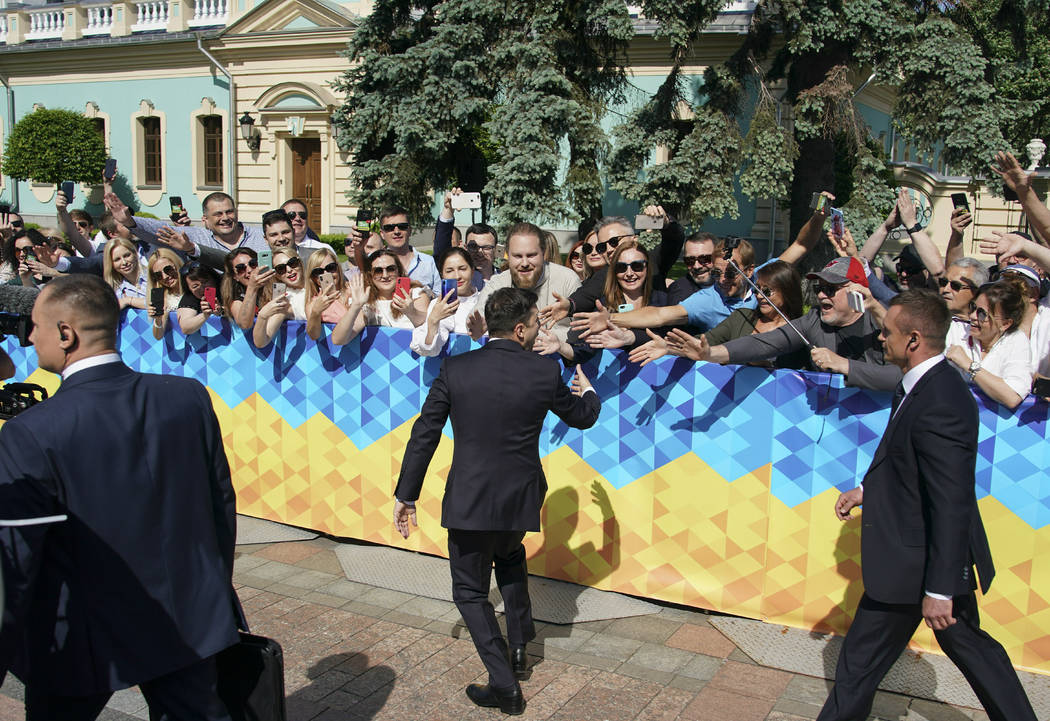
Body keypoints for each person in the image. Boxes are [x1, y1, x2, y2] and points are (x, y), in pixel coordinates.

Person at [0, 274, 239, 720]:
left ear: (66, 333)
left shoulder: (30, 432)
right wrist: (209, 591)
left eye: (34, 325)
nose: (28, 336)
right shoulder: (186, 397)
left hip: (81, 639)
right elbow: (220, 507)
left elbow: (14, 568)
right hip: (187, 617)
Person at [818, 289, 1037, 721]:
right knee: (969, 648)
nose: (881, 339)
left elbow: (951, 500)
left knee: (859, 665)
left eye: (887, 333)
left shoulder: (942, 400)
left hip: (916, 563)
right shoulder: (917, 384)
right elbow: (908, 463)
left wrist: (939, 589)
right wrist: (868, 490)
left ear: (914, 339)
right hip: (918, 557)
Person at [392, 287, 601, 716]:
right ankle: (520, 646)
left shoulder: (456, 368)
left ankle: (504, 684)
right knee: (508, 556)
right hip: (519, 496)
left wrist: (406, 494)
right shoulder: (544, 373)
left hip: (470, 498)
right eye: (537, 326)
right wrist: (590, 391)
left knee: (470, 593)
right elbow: (582, 417)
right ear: (521, 328)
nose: (540, 332)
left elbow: (425, 433)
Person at [665, 256, 900, 391]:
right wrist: (710, 353)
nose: (821, 296)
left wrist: (845, 366)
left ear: (856, 291)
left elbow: (902, 376)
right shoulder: (815, 320)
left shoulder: (881, 322)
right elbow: (764, 343)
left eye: (831, 289)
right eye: (819, 289)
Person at [630, 260, 808, 369]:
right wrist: (668, 347)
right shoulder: (742, 317)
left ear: (787, 292)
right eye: (756, 290)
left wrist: (767, 367)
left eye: (767, 291)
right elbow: (702, 344)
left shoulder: (802, 329)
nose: (759, 296)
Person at [473, 223, 582, 344]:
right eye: (517, 256)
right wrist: (476, 327)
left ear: (543, 253)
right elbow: (476, 320)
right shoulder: (498, 283)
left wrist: (541, 338)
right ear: (508, 255)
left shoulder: (567, 279)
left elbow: (580, 332)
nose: (524, 263)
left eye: (531, 255)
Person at [944, 279, 1032, 409]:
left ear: (1005, 324)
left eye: (982, 314)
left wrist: (969, 365)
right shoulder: (954, 330)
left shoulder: (1016, 340)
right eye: (973, 307)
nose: (973, 316)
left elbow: (1012, 397)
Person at [329, 249, 430, 346]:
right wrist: (356, 306)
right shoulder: (365, 302)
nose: (385, 275)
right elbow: (338, 340)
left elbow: (428, 327)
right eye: (378, 271)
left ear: (398, 271)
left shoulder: (416, 294)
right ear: (370, 275)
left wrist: (411, 311)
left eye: (390, 269)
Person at [348, 206, 441, 295]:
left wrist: (423, 291)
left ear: (410, 230)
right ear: (382, 234)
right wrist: (358, 248)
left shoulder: (428, 262)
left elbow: (438, 296)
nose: (396, 231)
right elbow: (363, 267)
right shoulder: (375, 261)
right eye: (389, 228)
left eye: (402, 226)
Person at [410, 247, 483, 356]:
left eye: (462, 269)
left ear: (472, 271)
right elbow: (428, 350)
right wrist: (434, 319)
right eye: (449, 271)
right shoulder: (438, 304)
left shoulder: (486, 300)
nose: (457, 276)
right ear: (442, 275)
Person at [221, 248, 275, 331]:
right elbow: (244, 324)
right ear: (235, 277)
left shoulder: (276, 280)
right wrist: (252, 288)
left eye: (253, 263)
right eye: (241, 268)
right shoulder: (236, 297)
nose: (249, 270)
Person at [304, 247, 349, 340]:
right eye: (318, 272)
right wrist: (316, 312)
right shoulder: (313, 304)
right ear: (313, 278)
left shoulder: (354, 290)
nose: (326, 274)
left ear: (338, 268)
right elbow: (314, 335)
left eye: (331, 268)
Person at [145, 248, 184, 340]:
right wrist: (158, 320)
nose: (165, 277)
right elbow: (158, 336)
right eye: (158, 275)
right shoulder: (163, 299)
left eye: (168, 269)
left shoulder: (196, 287)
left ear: (177, 265)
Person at [176, 263, 223, 335]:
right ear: (189, 289)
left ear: (213, 279)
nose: (202, 288)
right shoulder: (190, 297)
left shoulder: (227, 287)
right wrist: (205, 315)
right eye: (195, 286)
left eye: (205, 282)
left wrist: (222, 311)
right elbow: (185, 328)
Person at [102, 236, 148, 310]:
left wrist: (128, 300)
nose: (124, 262)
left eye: (126, 255)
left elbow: (163, 304)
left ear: (135, 254)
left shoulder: (154, 275)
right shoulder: (116, 291)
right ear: (111, 264)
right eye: (117, 259)